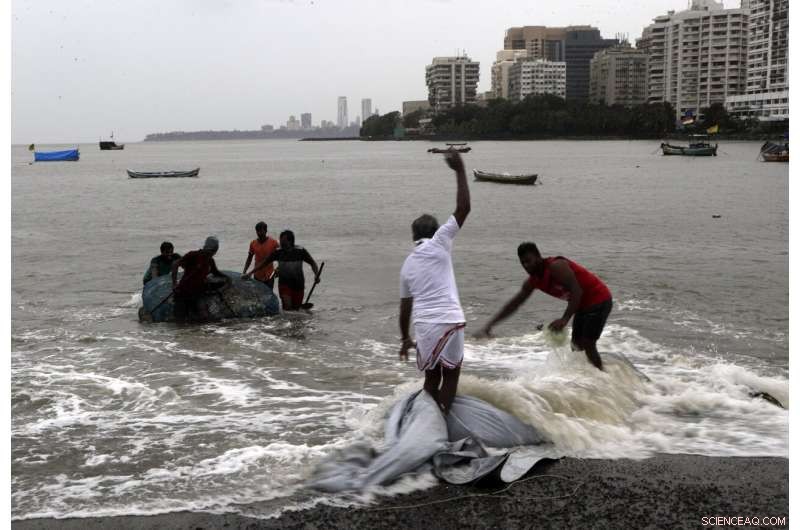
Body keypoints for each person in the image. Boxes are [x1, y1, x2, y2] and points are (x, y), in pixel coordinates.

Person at [398, 150, 470, 415]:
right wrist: (460, 169)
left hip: (426, 326)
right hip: (451, 320)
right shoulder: (441, 241)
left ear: (414, 236)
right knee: (451, 377)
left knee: (431, 379)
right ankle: (441, 420)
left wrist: (405, 338)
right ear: (435, 231)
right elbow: (464, 209)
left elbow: (404, 309)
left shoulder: (407, 265)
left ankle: (428, 424)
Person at [476, 243, 612, 370]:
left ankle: (603, 376)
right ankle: (591, 378)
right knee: (576, 347)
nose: (526, 266)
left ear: (538, 257)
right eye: (522, 263)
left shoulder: (556, 266)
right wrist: (490, 325)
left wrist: (564, 319)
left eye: (528, 261)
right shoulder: (533, 281)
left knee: (588, 344)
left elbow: (577, 290)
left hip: (599, 299)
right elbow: (514, 304)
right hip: (582, 305)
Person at [243, 230, 320, 310]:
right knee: (287, 307)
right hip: (284, 284)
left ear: (290, 241)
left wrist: (316, 275)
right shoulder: (278, 252)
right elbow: (263, 263)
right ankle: (285, 322)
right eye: (281, 240)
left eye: (283, 241)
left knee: (296, 310)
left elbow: (312, 263)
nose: (281, 243)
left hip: (298, 284)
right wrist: (250, 273)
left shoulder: (300, 251)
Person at [171, 236, 229, 322]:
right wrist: (174, 283)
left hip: (198, 292)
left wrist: (227, 277)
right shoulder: (193, 255)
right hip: (183, 291)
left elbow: (215, 272)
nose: (210, 253)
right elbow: (175, 264)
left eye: (212, 251)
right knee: (180, 320)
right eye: (210, 251)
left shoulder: (210, 260)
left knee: (204, 317)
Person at [242, 221, 279, 289]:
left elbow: (282, 256)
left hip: (269, 276)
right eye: (257, 231)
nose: (259, 233)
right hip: (257, 275)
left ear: (265, 231)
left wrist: (278, 269)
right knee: (258, 296)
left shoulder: (274, 243)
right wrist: (244, 271)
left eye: (261, 231)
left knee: (269, 295)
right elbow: (249, 258)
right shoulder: (253, 243)